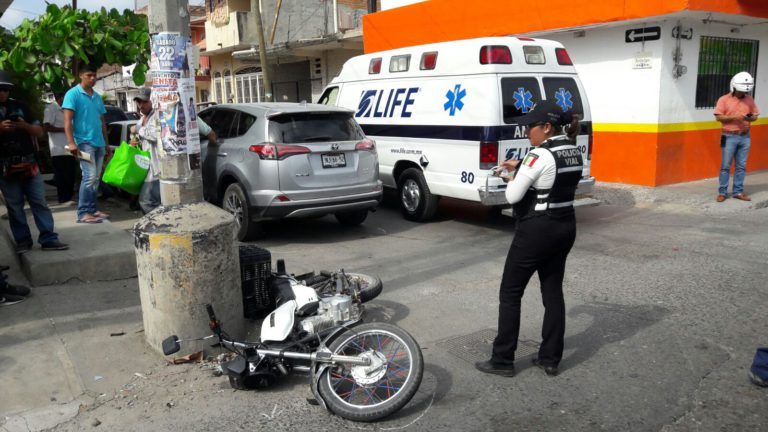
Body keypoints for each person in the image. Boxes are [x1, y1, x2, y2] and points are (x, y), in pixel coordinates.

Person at [475, 100, 583, 378]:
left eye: (530, 126)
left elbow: (513, 196)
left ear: (546, 127)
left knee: (510, 293)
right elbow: (550, 171)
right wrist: (520, 164)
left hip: (537, 230)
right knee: (552, 292)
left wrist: (511, 174)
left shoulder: (538, 156)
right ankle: (550, 358)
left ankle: (502, 359)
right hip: (565, 226)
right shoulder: (572, 149)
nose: (526, 132)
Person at [0, 70, 69, 253]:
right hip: (5, 167)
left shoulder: (20, 107)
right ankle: (23, 241)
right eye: (0, 89)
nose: (3, 93)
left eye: (6, 89)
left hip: (29, 163)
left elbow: (39, 131)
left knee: (39, 202)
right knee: (14, 207)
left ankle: (48, 238)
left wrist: (24, 126)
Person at [131, 88, 217, 214]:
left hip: (168, 167)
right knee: (157, 201)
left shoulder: (174, 114)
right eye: (139, 102)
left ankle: (161, 226)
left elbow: (209, 132)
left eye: (144, 102)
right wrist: (136, 139)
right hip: (151, 167)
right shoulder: (145, 118)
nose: (141, 105)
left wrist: (138, 130)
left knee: (148, 200)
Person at [62, 64, 110, 224]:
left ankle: (92, 210)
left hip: (99, 143)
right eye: (89, 75)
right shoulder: (72, 94)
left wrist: (107, 144)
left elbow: (102, 121)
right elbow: (67, 121)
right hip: (83, 143)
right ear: (81, 76)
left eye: (94, 75)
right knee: (89, 176)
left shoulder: (96, 96)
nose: (93, 78)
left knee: (96, 178)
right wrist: (71, 142)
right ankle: (83, 213)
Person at [714, 72, 760, 203]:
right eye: (739, 91)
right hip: (728, 136)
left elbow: (756, 116)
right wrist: (734, 117)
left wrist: (750, 117)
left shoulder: (749, 99)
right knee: (725, 166)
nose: (742, 94)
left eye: (743, 92)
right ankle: (722, 192)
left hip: (745, 136)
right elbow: (718, 117)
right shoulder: (724, 99)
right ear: (733, 88)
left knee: (741, 166)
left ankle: (738, 191)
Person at [43, 92, 78, 204]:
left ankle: (69, 198)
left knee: (70, 174)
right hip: (58, 148)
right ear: (60, 98)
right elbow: (46, 127)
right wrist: (65, 130)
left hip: (70, 147)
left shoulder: (67, 110)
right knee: (62, 175)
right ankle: (63, 198)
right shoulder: (51, 108)